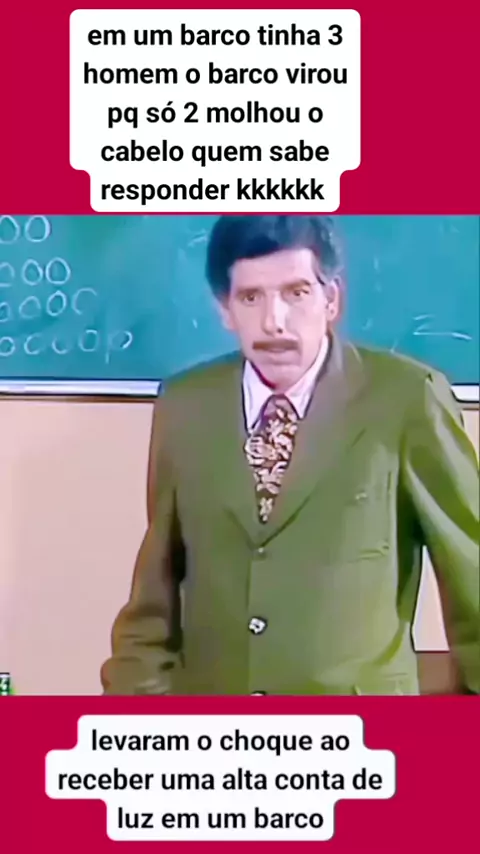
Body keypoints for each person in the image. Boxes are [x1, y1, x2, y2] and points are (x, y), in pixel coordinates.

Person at [101, 215, 479, 696]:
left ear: (331, 299)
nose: (273, 322)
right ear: (224, 309)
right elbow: (156, 594)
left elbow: (472, 572)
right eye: (250, 297)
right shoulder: (186, 407)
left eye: (296, 293)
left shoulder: (407, 399)